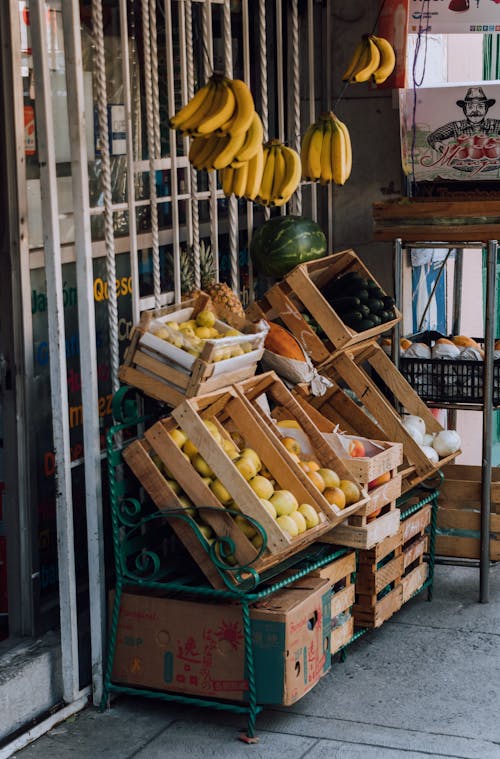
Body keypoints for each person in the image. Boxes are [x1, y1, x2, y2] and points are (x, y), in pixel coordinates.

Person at [427, 87, 500, 152]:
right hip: (461, 165)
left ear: (486, 109)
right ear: (465, 110)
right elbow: (432, 137)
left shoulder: (496, 124)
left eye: (480, 107)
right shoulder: (456, 126)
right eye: (470, 107)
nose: (475, 111)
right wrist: (441, 147)